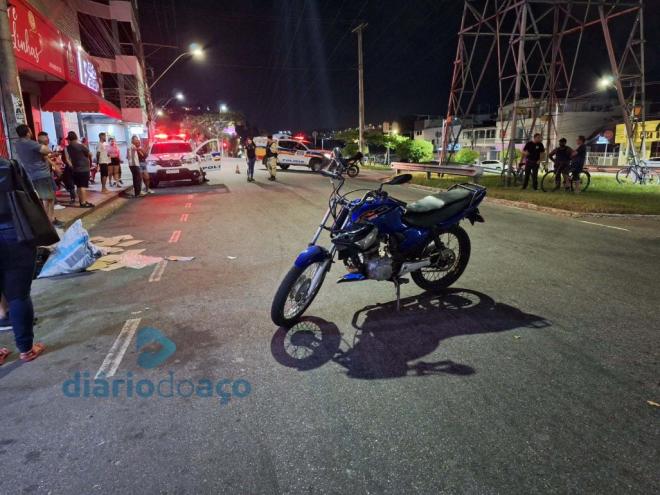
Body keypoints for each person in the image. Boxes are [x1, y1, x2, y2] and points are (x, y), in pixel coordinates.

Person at [0, 157, 46, 364]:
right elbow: (29, 196)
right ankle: (26, 349)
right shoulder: (9, 165)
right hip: (13, 231)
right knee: (18, 294)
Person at [14, 125, 60, 226]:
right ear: (27, 133)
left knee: (47, 197)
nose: (31, 132)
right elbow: (47, 150)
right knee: (48, 198)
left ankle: (50, 219)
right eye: (30, 130)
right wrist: (44, 142)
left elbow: (38, 155)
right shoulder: (30, 143)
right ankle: (49, 221)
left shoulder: (18, 144)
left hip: (32, 173)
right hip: (41, 174)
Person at [64, 131, 94, 207]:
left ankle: (81, 201)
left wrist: (72, 166)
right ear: (76, 138)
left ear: (69, 139)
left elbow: (67, 159)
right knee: (83, 186)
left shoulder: (67, 148)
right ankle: (83, 203)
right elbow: (90, 154)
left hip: (75, 169)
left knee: (78, 186)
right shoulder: (80, 146)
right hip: (83, 168)